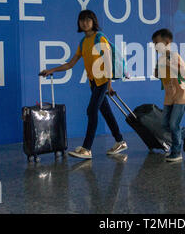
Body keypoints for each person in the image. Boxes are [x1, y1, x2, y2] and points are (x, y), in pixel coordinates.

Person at [39, 10, 127, 159]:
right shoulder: (83, 42)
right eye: (82, 20)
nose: (85, 23)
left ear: (93, 22)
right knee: (106, 112)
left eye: (88, 20)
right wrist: (50, 70)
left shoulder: (100, 39)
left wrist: (109, 85)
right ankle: (120, 141)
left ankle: (87, 148)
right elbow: (71, 64)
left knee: (91, 111)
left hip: (103, 82)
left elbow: (108, 63)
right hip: (93, 83)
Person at [152, 28, 185, 162]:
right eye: (154, 44)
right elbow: (159, 76)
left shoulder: (175, 57)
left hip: (181, 95)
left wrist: (170, 65)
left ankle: (176, 152)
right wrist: (157, 71)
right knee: (165, 124)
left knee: (174, 124)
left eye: (157, 43)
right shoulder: (161, 59)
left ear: (167, 42)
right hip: (169, 96)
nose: (155, 46)